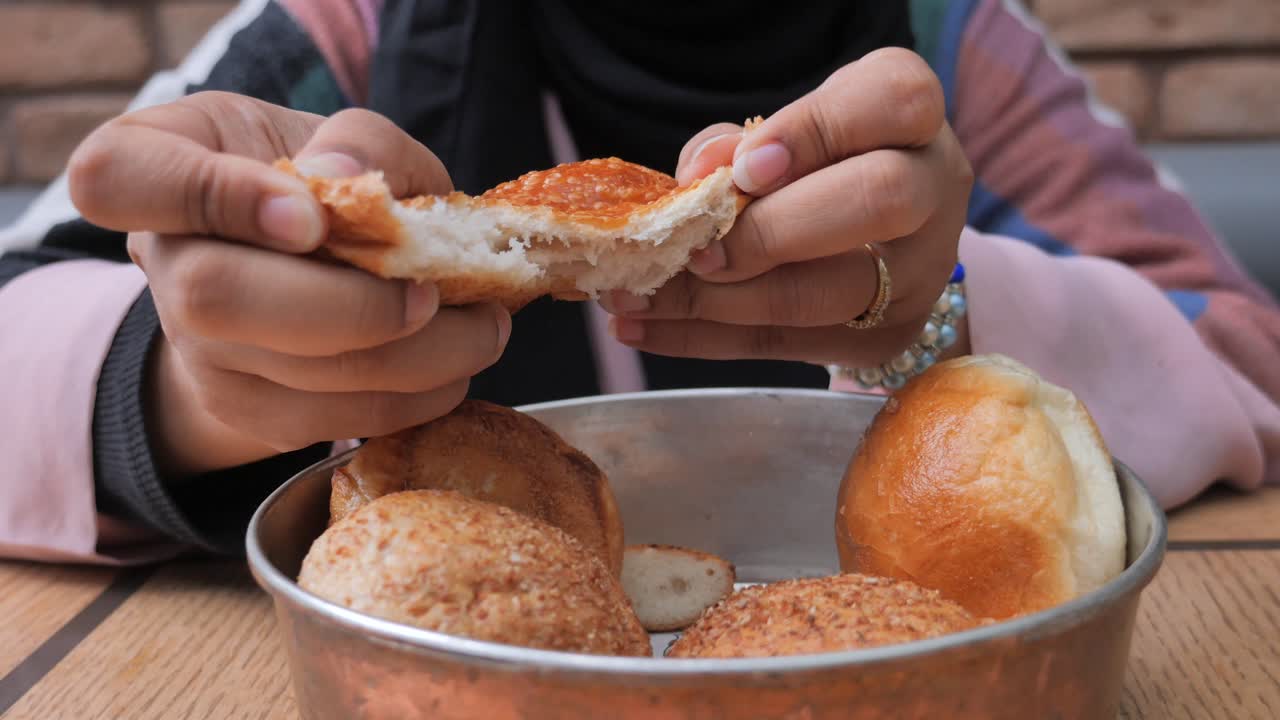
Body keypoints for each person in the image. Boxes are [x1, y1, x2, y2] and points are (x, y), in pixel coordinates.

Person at [1, 0, 1277, 565]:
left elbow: (1237, 349)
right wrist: (188, 385)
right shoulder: (342, 34)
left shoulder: (954, 45)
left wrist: (932, 309)